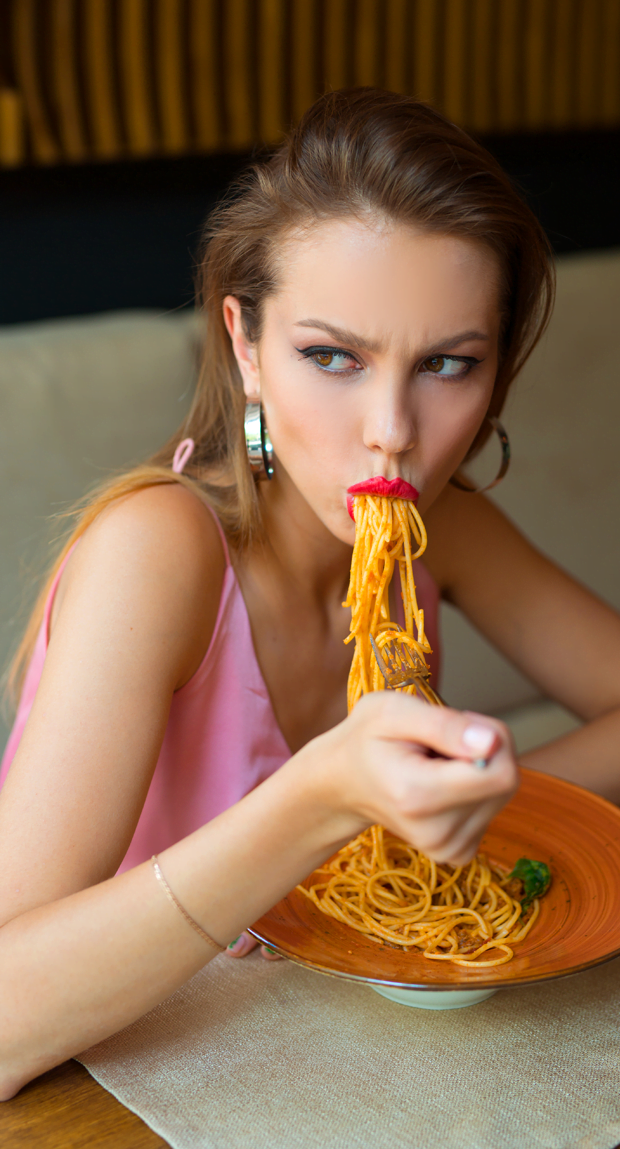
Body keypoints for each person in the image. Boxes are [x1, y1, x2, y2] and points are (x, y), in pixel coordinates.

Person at [1, 88, 619, 1099]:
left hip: (360, 1063)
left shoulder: (442, 524)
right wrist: (323, 805)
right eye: (330, 356)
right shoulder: (157, 552)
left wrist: (477, 814)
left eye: (447, 365)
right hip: (132, 1080)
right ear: (244, 343)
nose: (390, 430)